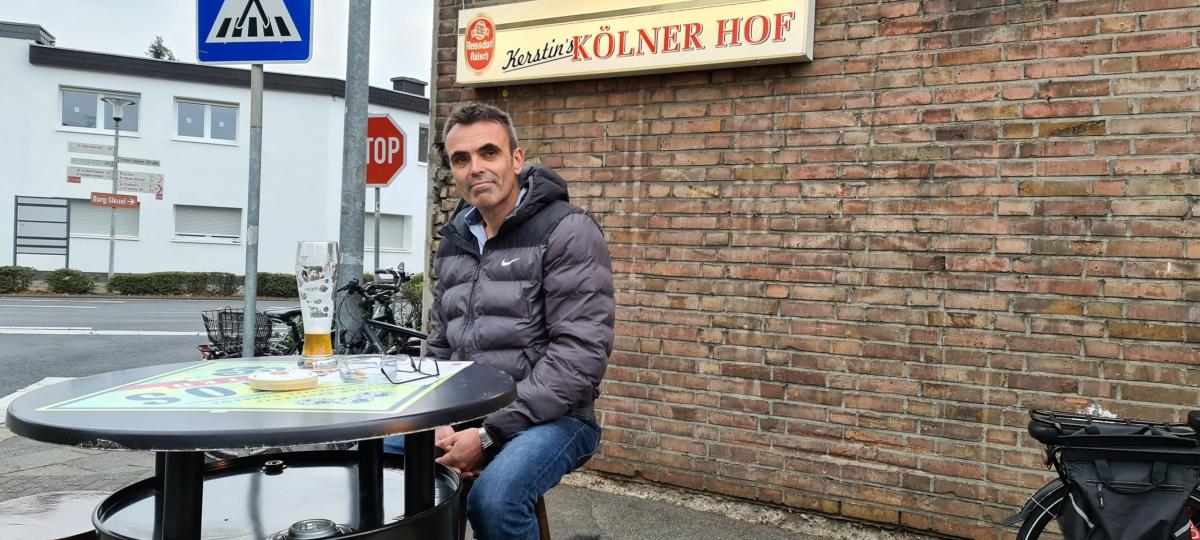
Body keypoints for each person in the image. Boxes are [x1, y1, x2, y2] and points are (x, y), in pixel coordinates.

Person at [426, 102, 615, 539]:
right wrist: (432, 419)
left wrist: (488, 435)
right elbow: (439, 345)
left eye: (488, 152)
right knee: (374, 462)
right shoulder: (455, 241)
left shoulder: (567, 231)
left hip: (557, 418)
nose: (475, 167)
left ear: (516, 159)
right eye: (461, 158)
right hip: (465, 415)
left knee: (495, 499)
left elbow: (579, 359)